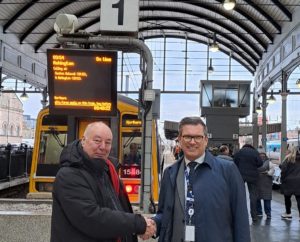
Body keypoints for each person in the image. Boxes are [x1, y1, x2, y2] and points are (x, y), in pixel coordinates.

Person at [146, 116, 250, 242]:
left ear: (206, 140)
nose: (192, 142)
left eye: (197, 137)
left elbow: (241, 219)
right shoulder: (170, 173)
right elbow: (165, 213)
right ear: (179, 139)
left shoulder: (228, 171)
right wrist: (154, 223)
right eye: (187, 137)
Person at [50, 122, 155, 242]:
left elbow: (116, 209)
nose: (103, 147)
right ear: (83, 140)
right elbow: (92, 219)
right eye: (97, 141)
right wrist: (138, 224)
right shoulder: (69, 175)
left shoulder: (106, 170)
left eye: (108, 142)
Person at [234, 138, 263, 222]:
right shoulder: (255, 152)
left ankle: (240, 215)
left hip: (240, 176)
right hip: (253, 177)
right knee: (253, 197)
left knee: (240, 195)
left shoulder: (240, 152)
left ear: (245, 143)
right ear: (251, 143)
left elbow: (234, 162)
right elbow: (260, 163)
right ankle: (254, 216)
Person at [279, 146, 300, 220]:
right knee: (299, 199)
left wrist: (282, 179)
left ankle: (288, 213)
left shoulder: (288, 158)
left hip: (289, 181)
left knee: (287, 198)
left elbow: (283, 169)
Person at [256, 149, 275, 219]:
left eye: (263, 154)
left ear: (265, 154)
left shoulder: (269, 162)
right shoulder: (255, 162)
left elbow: (273, 170)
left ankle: (268, 213)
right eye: (260, 154)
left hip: (266, 183)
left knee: (267, 199)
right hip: (258, 183)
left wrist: (268, 173)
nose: (262, 155)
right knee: (257, 198)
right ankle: (259, 212)